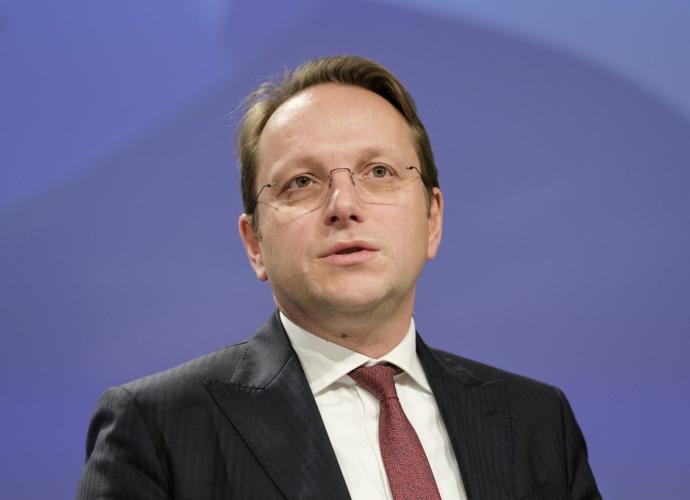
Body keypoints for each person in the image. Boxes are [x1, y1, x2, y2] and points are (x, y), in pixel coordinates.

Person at [77, 55, 601, 500]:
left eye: (379, 172)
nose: (344, 205)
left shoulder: (537, 421)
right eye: (302, 182)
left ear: (432, 220)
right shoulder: (157, 428)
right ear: (255, 244)